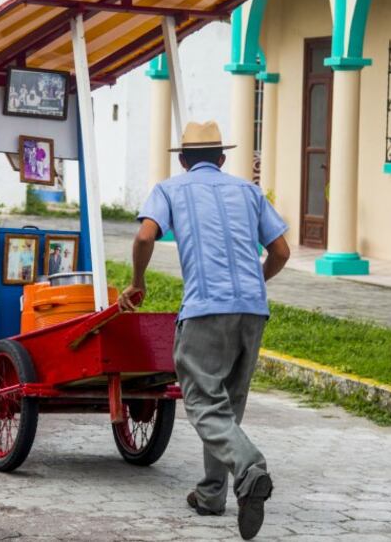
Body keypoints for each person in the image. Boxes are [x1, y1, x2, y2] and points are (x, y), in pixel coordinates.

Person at [118, 120, 290, 540]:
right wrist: (253, 284)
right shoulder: (249, 192)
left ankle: (249, 467)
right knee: (228, 405)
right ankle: (213, 494)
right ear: (222, 158)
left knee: (201, 404)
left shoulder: (170, 189)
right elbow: (281, 250)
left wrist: (137, 282)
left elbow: (144, 237)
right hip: (253, 310)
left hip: (205, 310)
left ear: (182, 160)